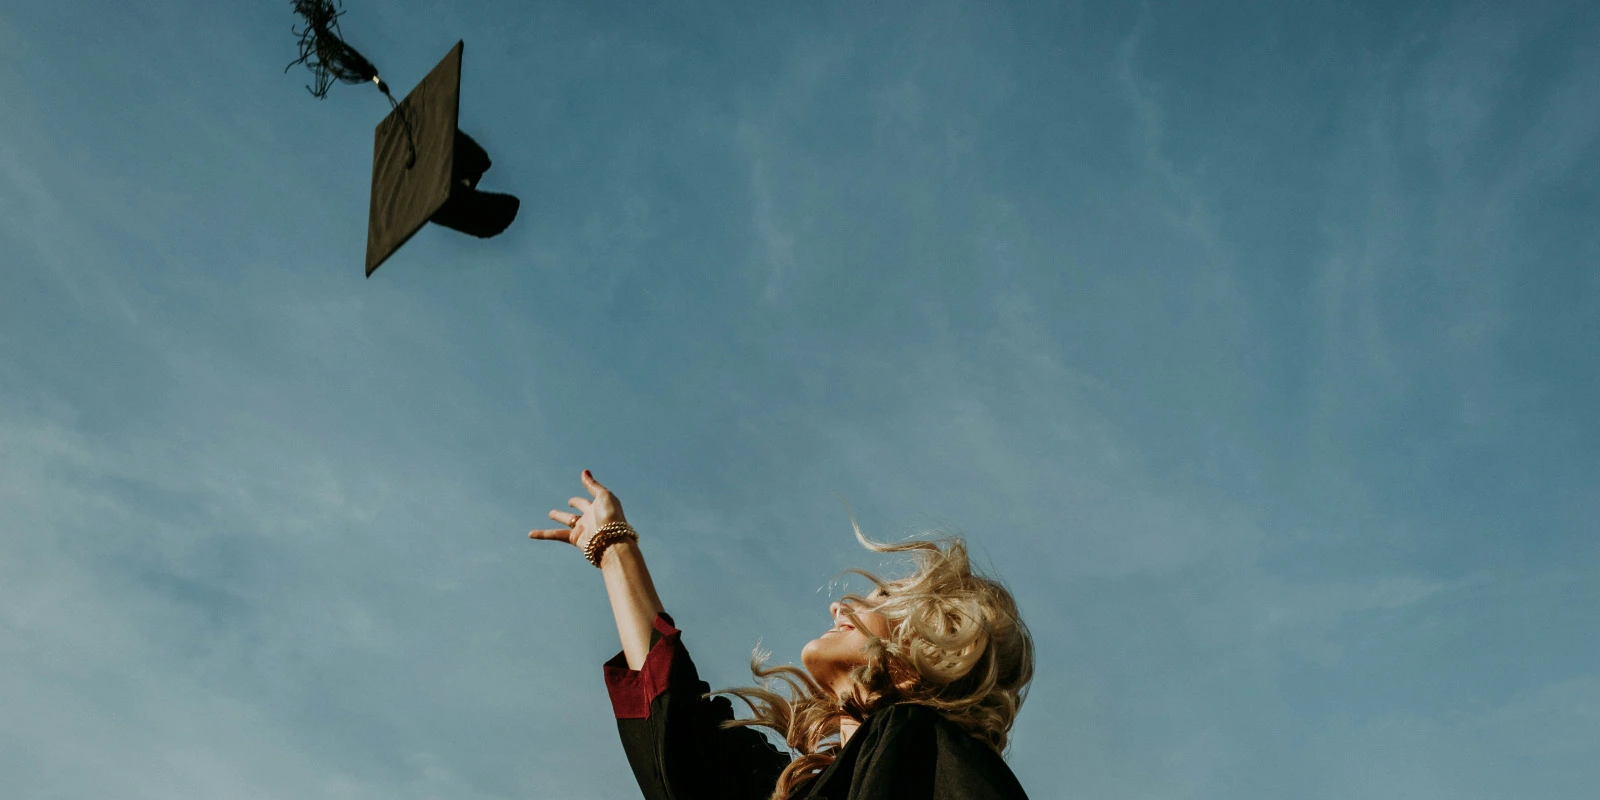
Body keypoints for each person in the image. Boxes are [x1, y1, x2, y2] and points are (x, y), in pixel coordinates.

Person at [530, 470, 1034, 800]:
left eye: (882, 598)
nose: (840, 604)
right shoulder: (789, 789)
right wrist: (613, 548)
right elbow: (680, 740)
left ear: (927, 647)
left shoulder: (928, 749)